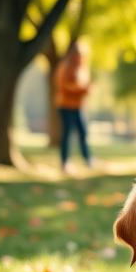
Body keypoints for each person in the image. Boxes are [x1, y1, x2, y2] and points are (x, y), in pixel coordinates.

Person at [55, 39, 93, 175]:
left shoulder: (81, 68)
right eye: (79, 55)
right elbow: (65, 86)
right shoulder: (65, 67)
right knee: (67, 134)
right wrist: (81, 89)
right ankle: (64, 162)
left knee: (83, 133)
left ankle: (88, 159)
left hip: (78, 106)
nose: (80, 58)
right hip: (66, 105)